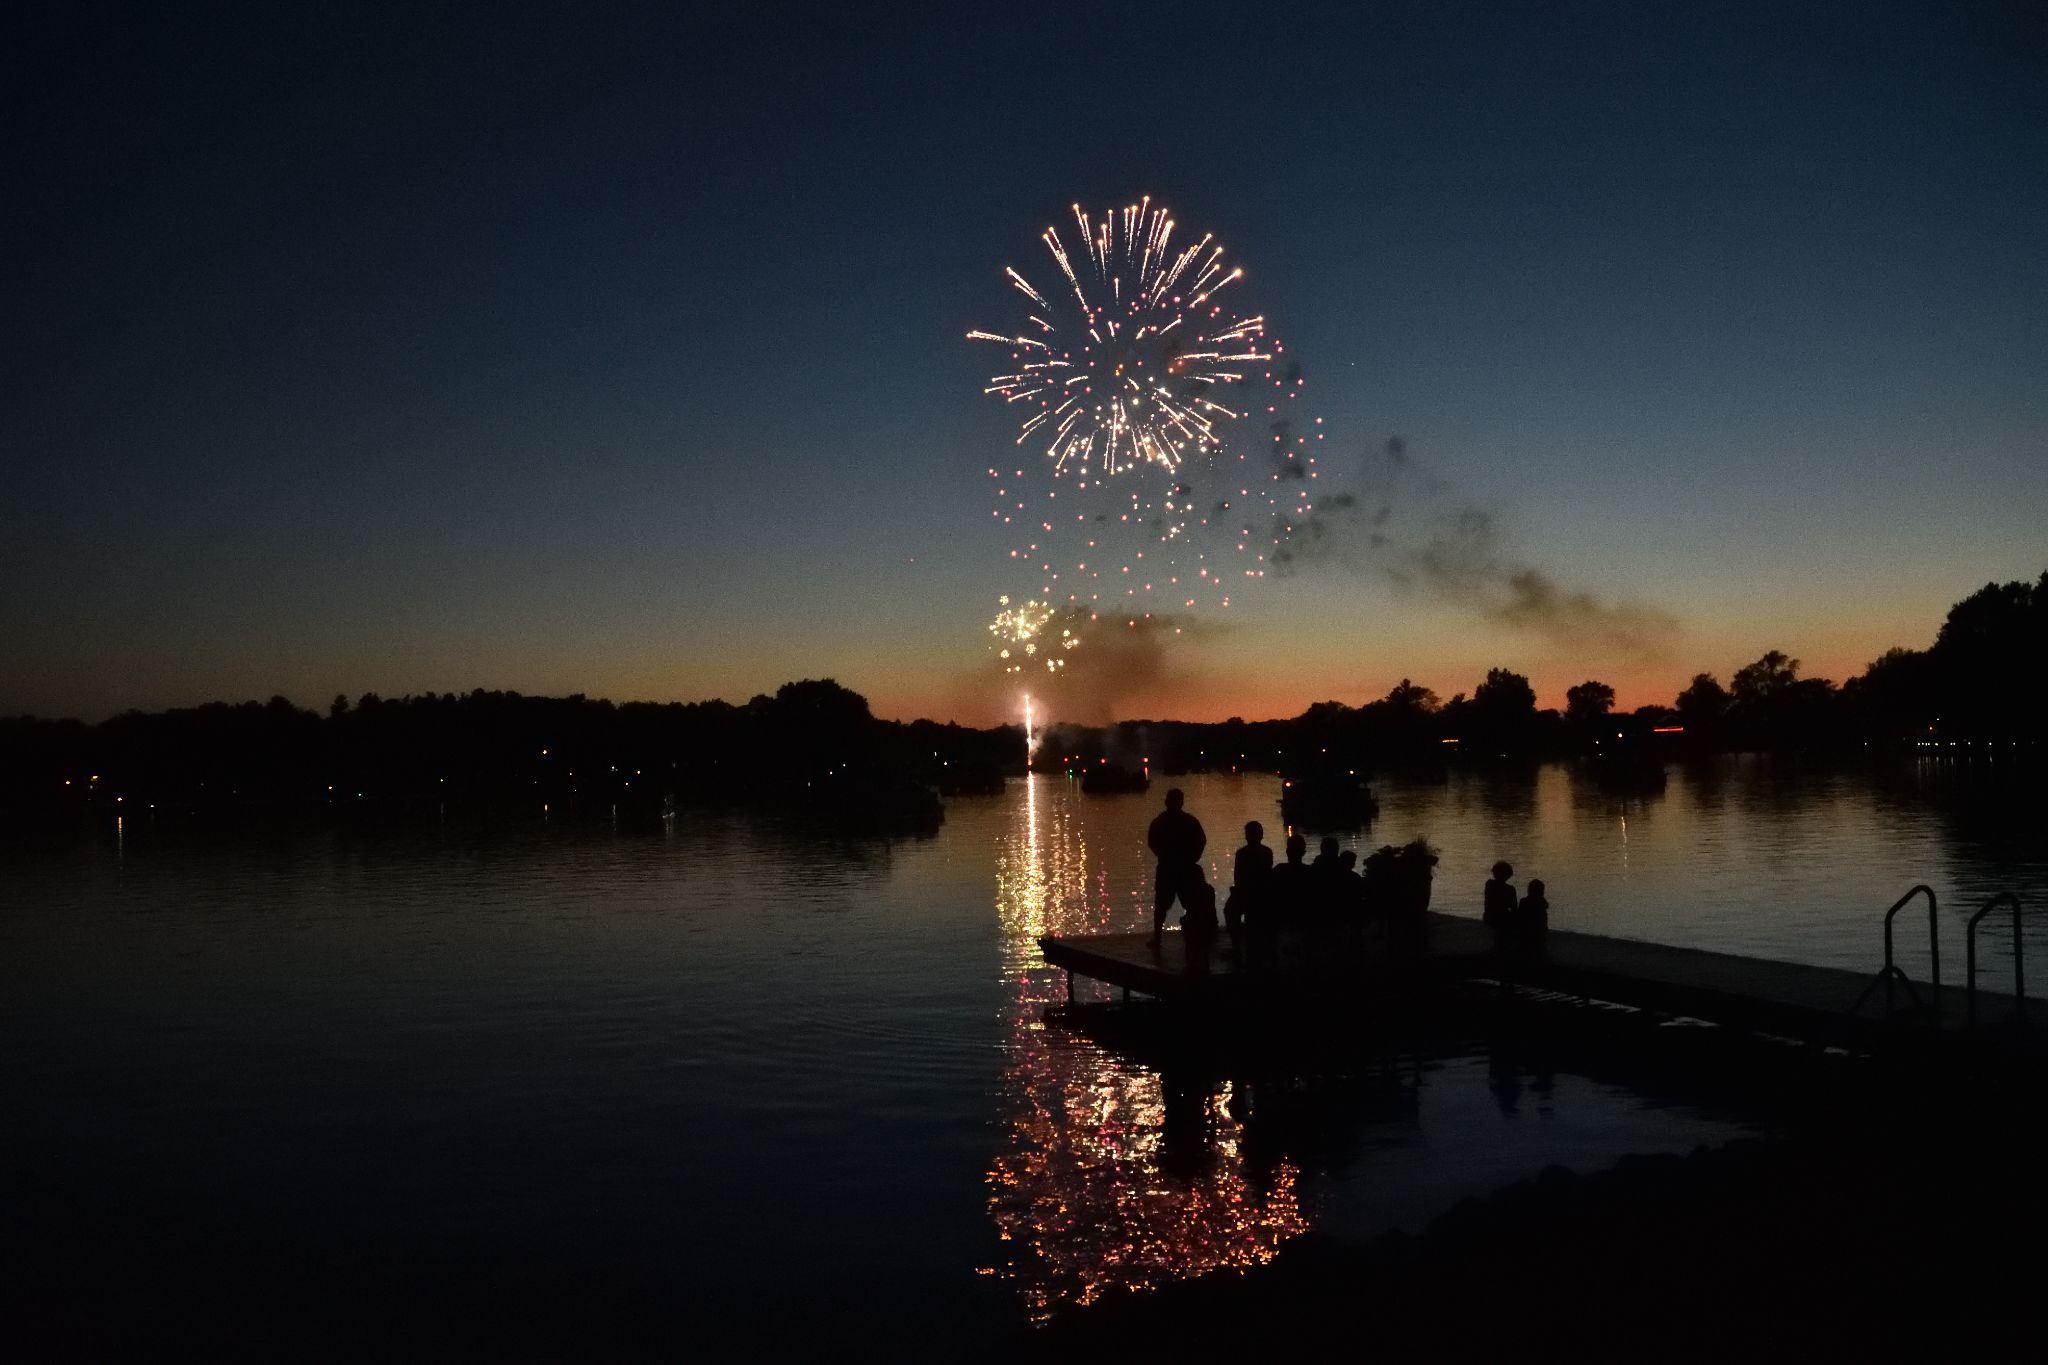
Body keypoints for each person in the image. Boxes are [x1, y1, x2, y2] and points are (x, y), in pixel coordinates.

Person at [1146, 788, 1207, 946]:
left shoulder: (1160, 821)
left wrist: (1164, 855)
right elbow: (1201, 841)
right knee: (1190, 904)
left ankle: (1158, 937)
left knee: (1162, 905)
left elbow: (1152, 841)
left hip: (1167, 867)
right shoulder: (1190, 821)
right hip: (1185, 867)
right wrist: (1192, 858)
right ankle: (1194, 936)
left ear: (1167, 802)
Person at [1225, 821, 1273, 949]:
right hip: (1261, 894)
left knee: (1229, 910)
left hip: (1249, 894)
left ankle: (1236, 943)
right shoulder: (1267, 852)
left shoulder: (1241, 854)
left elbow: (1238, 878)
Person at [1483, 860, 1518, 946]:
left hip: (1490, 915)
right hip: (1501, 917)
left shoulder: (1489, 884)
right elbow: (1514, 908)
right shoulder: (1510, 889)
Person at [1517, 878, 1550, 952]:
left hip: (1526, 932)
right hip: (1539, 933)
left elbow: (1519, 918)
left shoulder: (1524, 902)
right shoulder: (1542, 904)